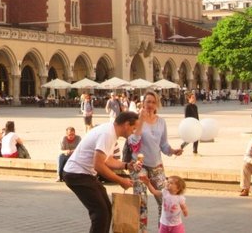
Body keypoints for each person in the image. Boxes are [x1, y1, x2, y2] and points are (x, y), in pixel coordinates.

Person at [63, 111, 138, 233]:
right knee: (100, 213)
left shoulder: (110, 131)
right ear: (126, 124)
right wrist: (121, 181)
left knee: (106, 209)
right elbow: (98, 165)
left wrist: (126, 165)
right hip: (77, 174)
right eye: (133, 128)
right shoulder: (107, 134)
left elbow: (107, 160)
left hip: (83, 174)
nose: (134, 131)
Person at [128, 89, 183, 232]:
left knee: (164, 199)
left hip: (156, 165)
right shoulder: (135, 120)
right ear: (142, 103)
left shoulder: (161, 122)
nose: (150, 105)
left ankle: (164, 229)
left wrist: (173, 150)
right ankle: (141, 231)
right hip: (139, 166)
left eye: (153, 102)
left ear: (157, 104)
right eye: (148, 102)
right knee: (140, 201)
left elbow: (163, 145)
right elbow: (133, 142)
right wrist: (141, 121)